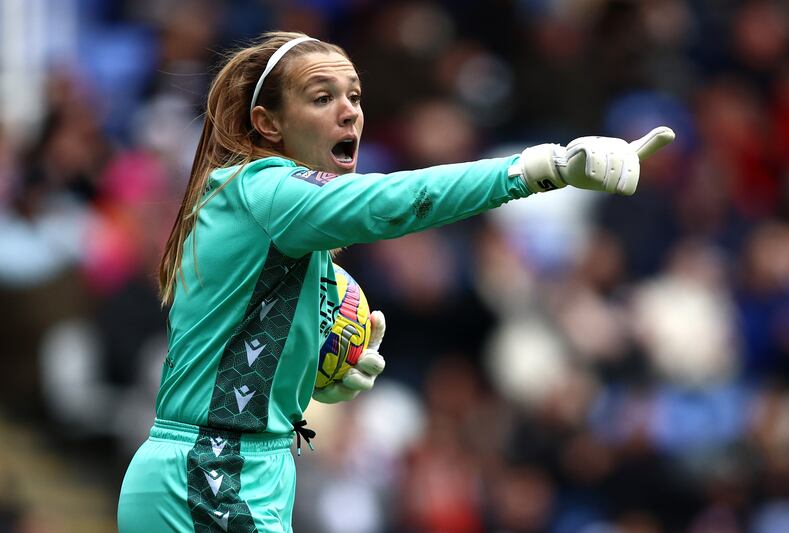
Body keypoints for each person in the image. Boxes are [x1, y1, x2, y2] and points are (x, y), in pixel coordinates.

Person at [117, 31, 674, 532]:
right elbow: (393, 202)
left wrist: (314, 378)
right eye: (322, 98)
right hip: (214, 473)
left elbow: (233, 358)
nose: (349, 112)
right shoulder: (265, 189)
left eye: (355, 97)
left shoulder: (275, 223)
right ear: (269, 123)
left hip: (227, 468)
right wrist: (536, 168)